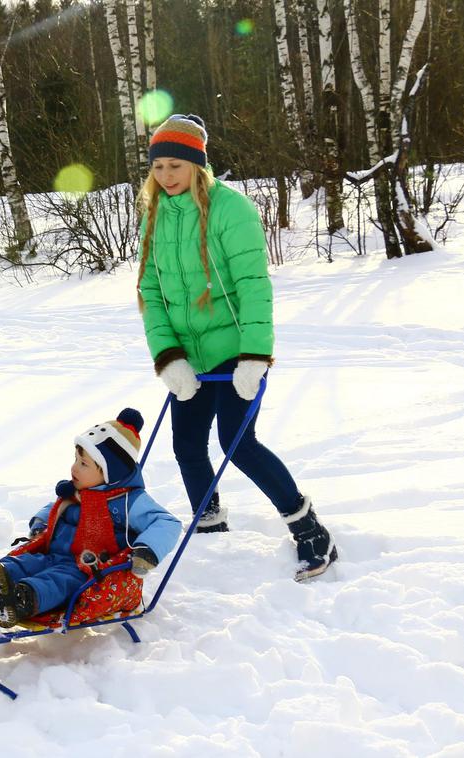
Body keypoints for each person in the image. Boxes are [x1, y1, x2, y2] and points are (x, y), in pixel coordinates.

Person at [135, 114, 338, 581]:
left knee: (235, 441)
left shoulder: (232, 210)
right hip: (189, 357)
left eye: (175, 166)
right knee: (186, 444)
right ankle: (209, 524)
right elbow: (150, 290)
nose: (166, 176)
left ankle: (310, 531)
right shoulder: (154, 213)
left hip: (234, 350)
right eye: (158, 166)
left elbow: (253, 287)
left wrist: (254, 356)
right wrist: (168, 357)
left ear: (197, 166)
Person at [0, 409, 180, 628]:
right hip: (53, 554)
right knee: (27, 563)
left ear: (110, 474)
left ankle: (23, 599)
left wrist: (146, 550)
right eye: (76, 460)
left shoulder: (130, 501)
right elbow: (55, 507)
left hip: (86, 568)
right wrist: (41, 522)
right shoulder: (79, 490)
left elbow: (167, 523)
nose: (74, 468)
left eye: (84, 463)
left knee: (58, 581)